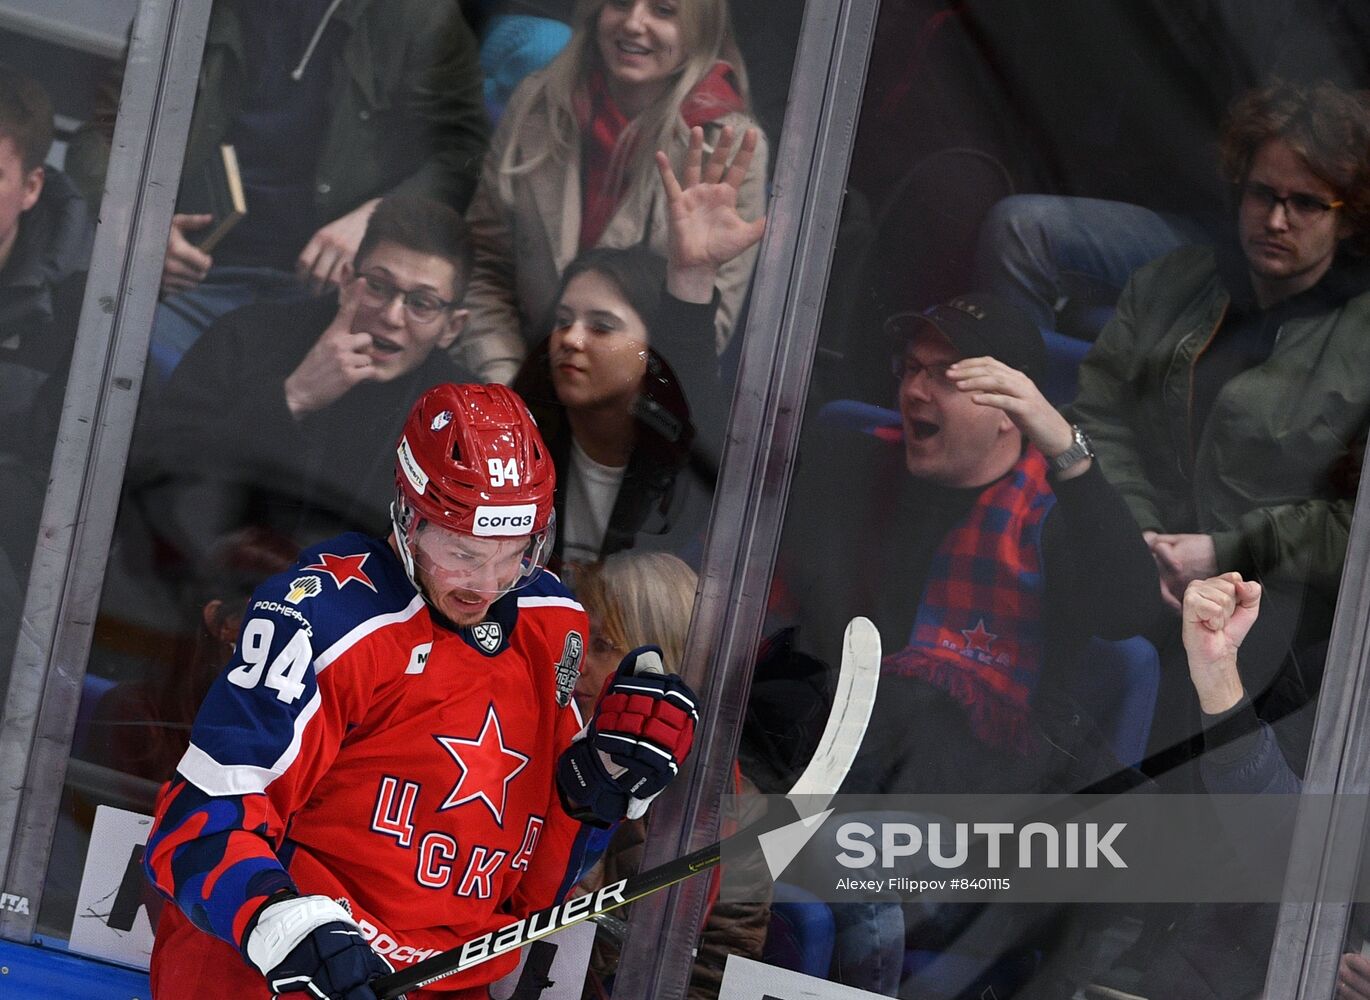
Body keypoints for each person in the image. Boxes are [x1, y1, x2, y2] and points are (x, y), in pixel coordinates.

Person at [142, 381, 700, 1000]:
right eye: (461, 552)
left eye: (514, 553)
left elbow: (535, 895)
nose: (486, 584)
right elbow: (192, 828)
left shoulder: (552, 623)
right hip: (281, 977)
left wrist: (596, 790)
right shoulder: (324, 621)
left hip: (443, 982)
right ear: (408, 517)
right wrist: (282, 923)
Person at [1068, 79, 1370, 757]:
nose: (1277, 220)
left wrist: (1224, 553)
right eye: (1264, 194)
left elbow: (1359, 527)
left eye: (1307, 203)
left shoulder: (1361, 341)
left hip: (1272, 609)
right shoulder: (1173, 284)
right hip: (1140, 565)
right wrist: (1137, 531)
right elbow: (1100, 413)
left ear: (1347, 218)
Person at [768, 293, 1163, 796]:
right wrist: (691, 290)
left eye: (947, 375)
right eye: (911, 367)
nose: (913, 390)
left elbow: (1130, 612)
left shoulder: (1052, 520)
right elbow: (723, 487)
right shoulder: (854, 461)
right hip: (812, 746)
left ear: (1010, 411)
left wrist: (1068, 453)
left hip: (955, 795)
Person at [66, 0, 489, 381]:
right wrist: (141, 222)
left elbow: (461, 156)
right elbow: (107, 130)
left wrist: (378, 219)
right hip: (195, 272)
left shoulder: (419, 16)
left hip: (332, 293)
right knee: (115, 365)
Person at [127, 195, 479, 564]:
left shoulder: (465, 414)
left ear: (452, 327)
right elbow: (156, 475)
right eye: (377, 286)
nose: (392, 316)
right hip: (204, 578)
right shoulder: (245, 337)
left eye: (421, 303)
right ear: (345, 281)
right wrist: (294, 397)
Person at [458, 0, 768, 384]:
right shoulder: (536, 102)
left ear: (698, 32)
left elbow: (705, 326)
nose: (634, 23)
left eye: (663, 11)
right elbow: (484, 264)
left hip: (626, 409)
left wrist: (588, 407)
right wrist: (506, 382)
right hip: (515, 382)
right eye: (620, 3)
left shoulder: (730, 147)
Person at [513, 124, 763, 566]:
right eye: (563, 320)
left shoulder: (681, 464)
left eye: (603, 327)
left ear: (653, 355)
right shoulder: (516, 439)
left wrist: (692, 276)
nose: (570, 339)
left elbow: (688, 389)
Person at [569, 551, 769, 999]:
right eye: (578, 641)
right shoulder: (531, 742)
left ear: (663, 663)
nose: (579, 664)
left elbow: (714, 973)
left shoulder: (734, 811)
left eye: (602, 646)